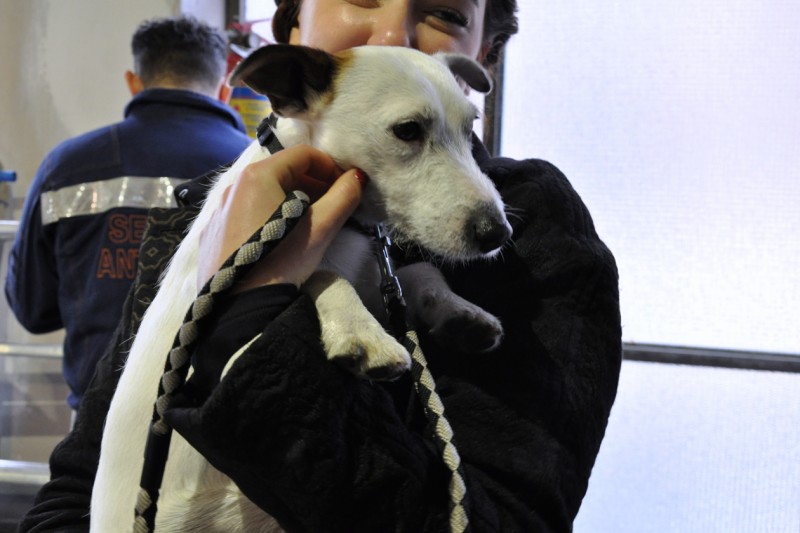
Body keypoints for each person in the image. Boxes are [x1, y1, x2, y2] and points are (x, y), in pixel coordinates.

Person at [19, 0, 623, 531]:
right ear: (293, 27)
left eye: (446, 13)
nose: (390, 36)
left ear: (484, 54)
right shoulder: (213, 211)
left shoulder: (538, 233)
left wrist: (258, 310)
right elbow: (76, 489)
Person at [5, 16, 252, 411]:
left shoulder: (65, 168)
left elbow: (32, 309)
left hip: (99, 427)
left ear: (134, 82)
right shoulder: (260, 166)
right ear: (224, 91)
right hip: (222, 424)